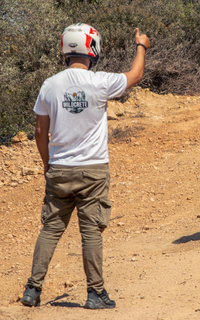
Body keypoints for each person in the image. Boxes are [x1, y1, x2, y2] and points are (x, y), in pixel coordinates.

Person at [20, 23, 150, 309]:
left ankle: (32, 290)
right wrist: (141, 44)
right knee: (90, 231)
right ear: (93, 49)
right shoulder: (100, 81)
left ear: (65, 49)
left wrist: (47, 165)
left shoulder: (49, 85)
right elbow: (136, 75)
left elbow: (41, 132)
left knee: (51, 228)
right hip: (93, 169)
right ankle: (95, 293)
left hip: (60, 168)